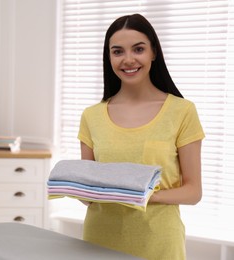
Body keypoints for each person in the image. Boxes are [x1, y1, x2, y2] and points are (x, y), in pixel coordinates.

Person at [78, 14, 205, 260]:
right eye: (117, 52)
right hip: (98, 241)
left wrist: (139, 195)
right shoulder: (91, 116)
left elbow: (193, 191)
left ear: (153, 53)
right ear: (109, 57)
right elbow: (88, 195)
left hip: (159, 244)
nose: (128, 59)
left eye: (138, 49)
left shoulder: (182, 111)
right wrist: (77, 188)